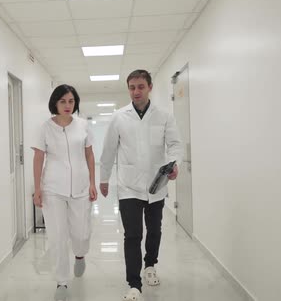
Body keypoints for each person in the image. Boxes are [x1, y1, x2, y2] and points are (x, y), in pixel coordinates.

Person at [99, 70, 184, 301]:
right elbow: (108, 151)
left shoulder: (164, 116)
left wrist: (173, 165)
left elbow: (175, 144)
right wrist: (104, 178)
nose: (136, 91)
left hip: (157, 184)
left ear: (150, 87)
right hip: (128, 186)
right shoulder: (119, 117)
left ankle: (150, 265)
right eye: (132, 87)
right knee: (132, 235)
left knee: (154, 231)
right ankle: (134, 284)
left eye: (140, 87)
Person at [32, 84, 97, 301]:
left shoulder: (83, 126)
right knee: (57, 236)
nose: (67, 105)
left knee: (81, 232)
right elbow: (38, 158)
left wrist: (92, 182)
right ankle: (61, 281)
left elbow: (89, 155)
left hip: (80, 186)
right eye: (63, 101)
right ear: (55, 103)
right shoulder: (45, 128)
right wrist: (37, 189)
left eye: (71, 101)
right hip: (53, 188)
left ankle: (80, 255)